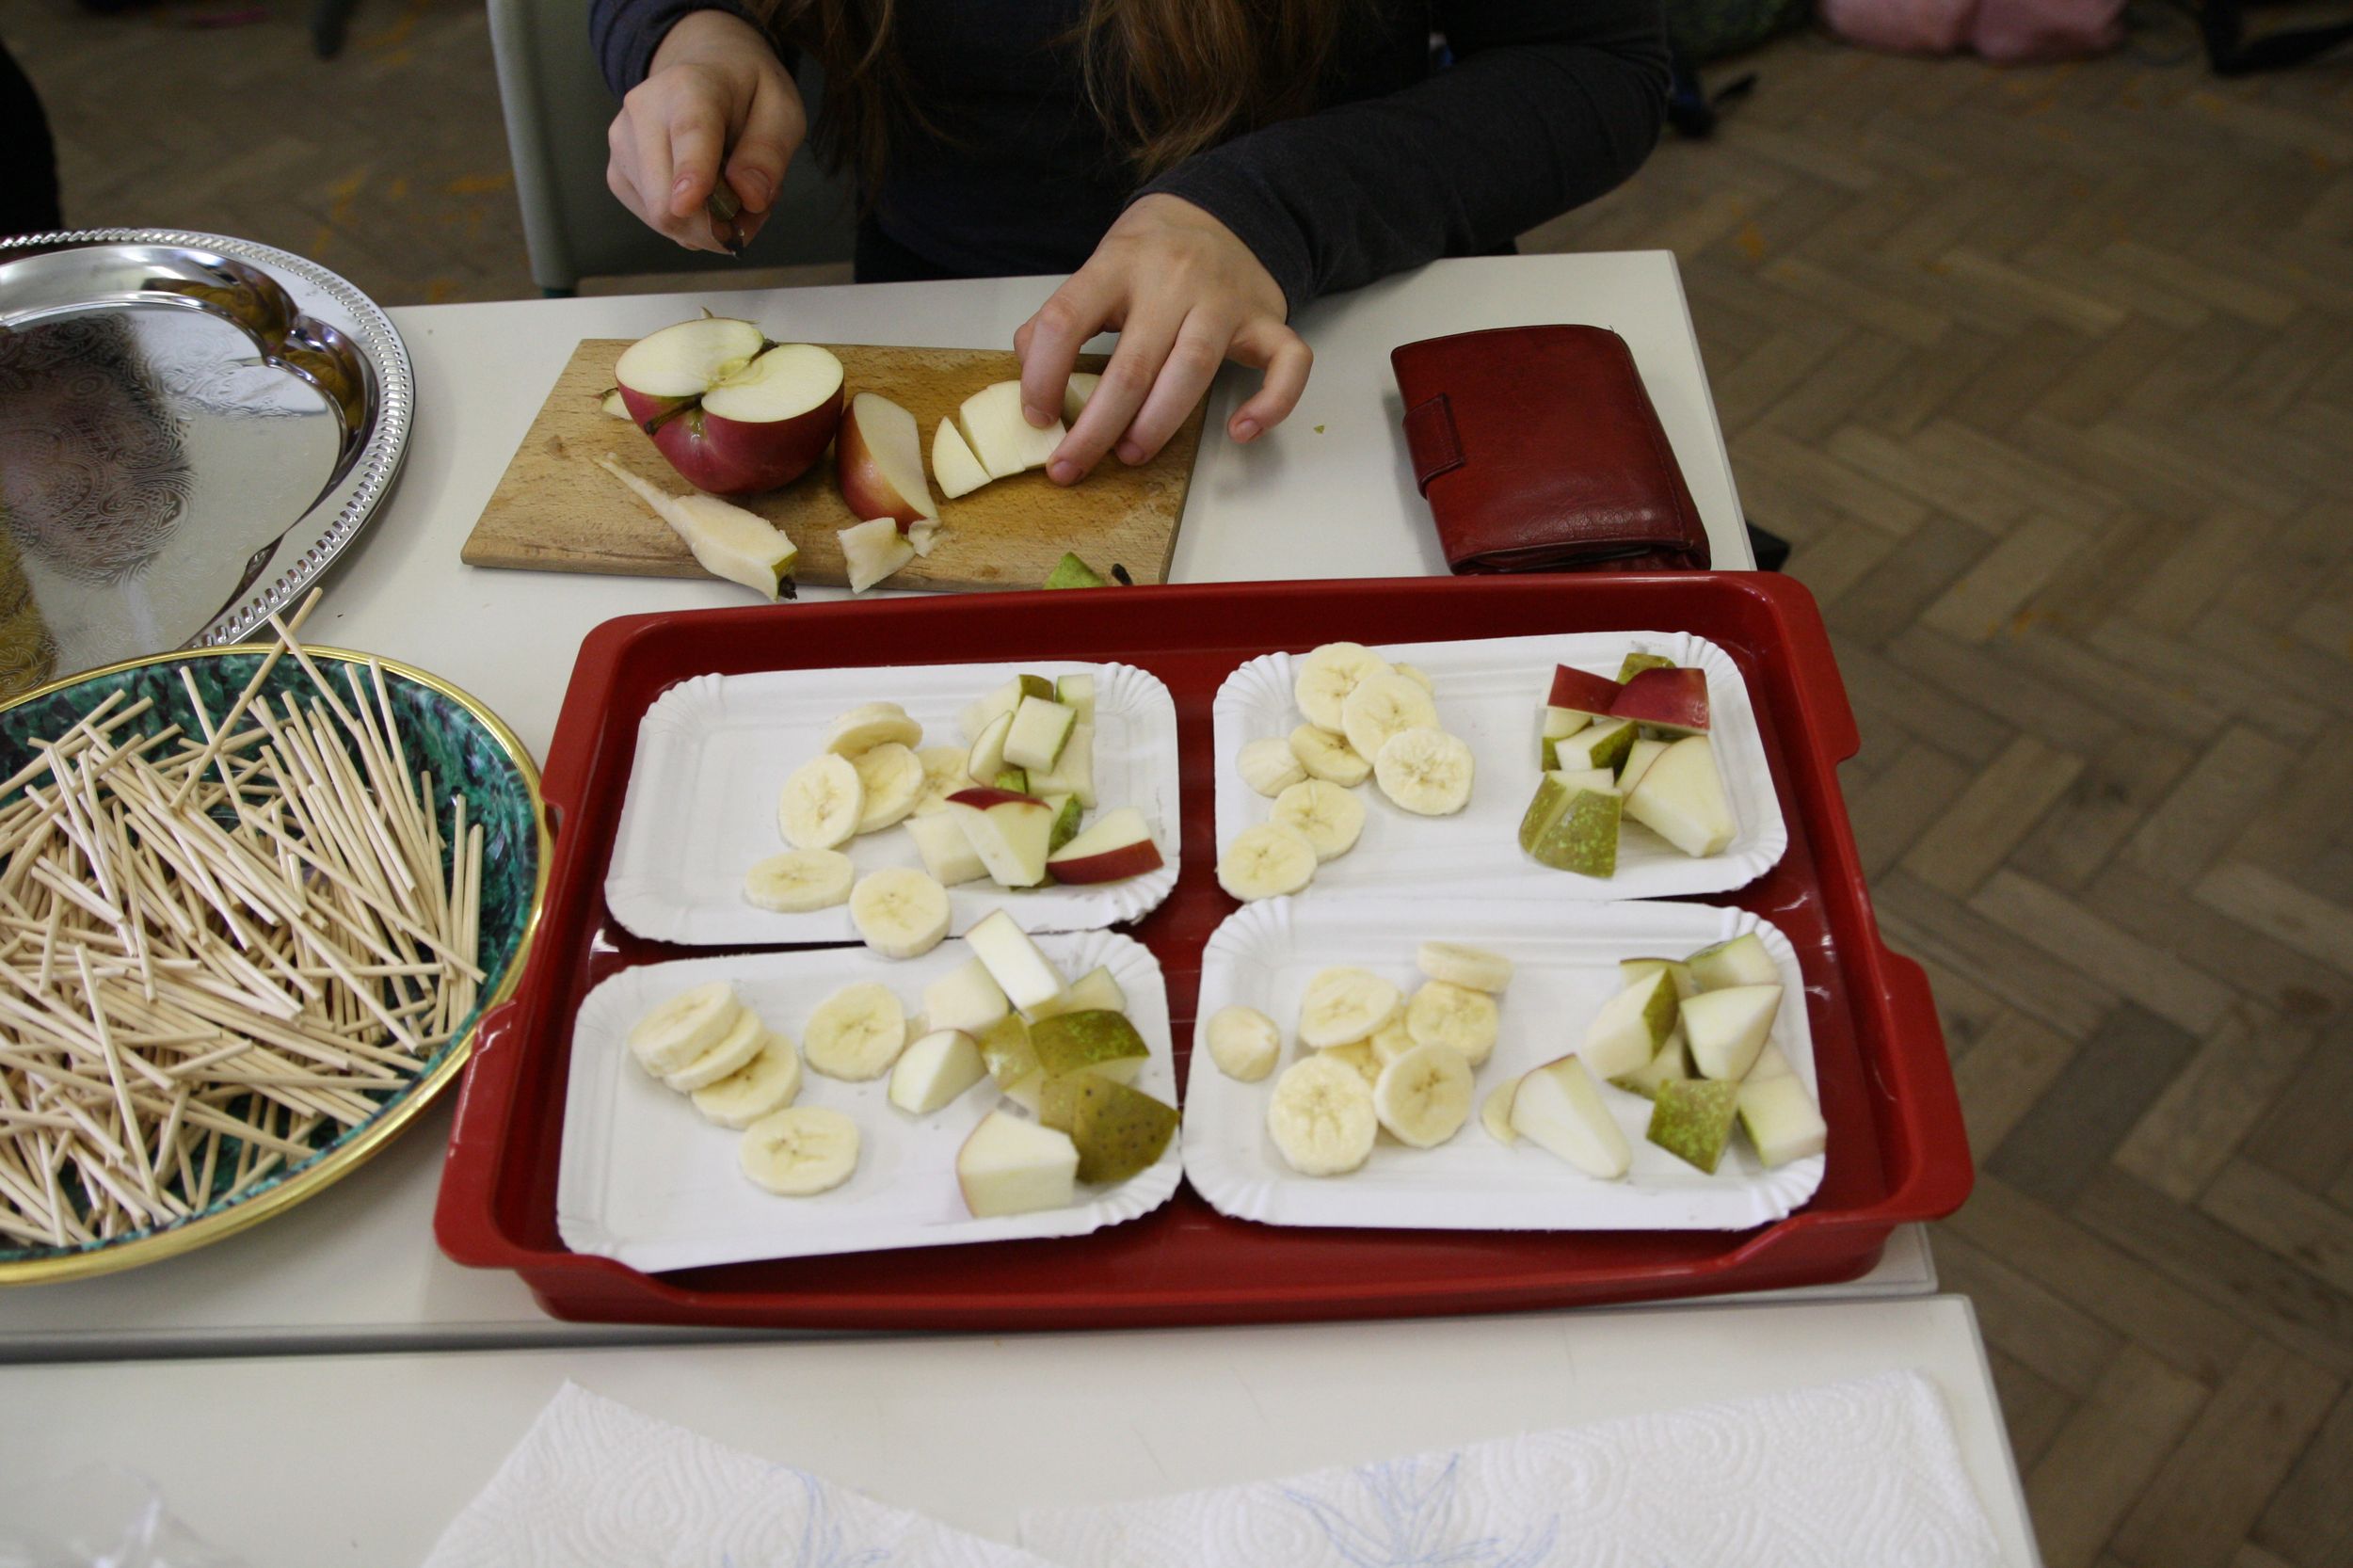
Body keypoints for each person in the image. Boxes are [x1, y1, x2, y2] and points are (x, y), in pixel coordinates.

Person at [594, 0, 1669, 485]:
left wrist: (1267, 207)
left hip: (1347, 341)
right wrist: (694, 35)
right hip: (946, 328)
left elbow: (1595, 68)